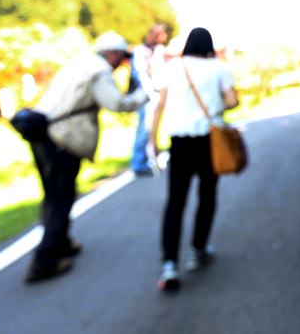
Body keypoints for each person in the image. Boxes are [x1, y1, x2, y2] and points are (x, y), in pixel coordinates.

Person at [25, 31, 148, 283]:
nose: (121, 64)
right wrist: (142, 94)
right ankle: (45, 261)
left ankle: (61, 242)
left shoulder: (79, 63)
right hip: (63, 138)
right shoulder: (99, 71)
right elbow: (116, 104)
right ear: (111, 53)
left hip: (42, 134)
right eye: (121, 58)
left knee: (53, 194)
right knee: (62, 197)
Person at [148, 27, 238, 291]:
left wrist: (152, 139)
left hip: (179, 143)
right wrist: (216, 107)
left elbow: (159, 105)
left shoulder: (172, 68)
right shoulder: (218, 68)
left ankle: (169, 265)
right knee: (207, 195)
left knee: (175, 202)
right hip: (208, 141)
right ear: (209, 46)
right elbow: (232, 101)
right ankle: (198, 250)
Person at [130, 23, 168, 176]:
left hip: (158, 93)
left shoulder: (159, 50)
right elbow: (140, 74)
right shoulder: (140, 51)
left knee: (153, 129)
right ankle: (139, 163)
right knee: (144, 128)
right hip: (146, 94)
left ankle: (148, 158)